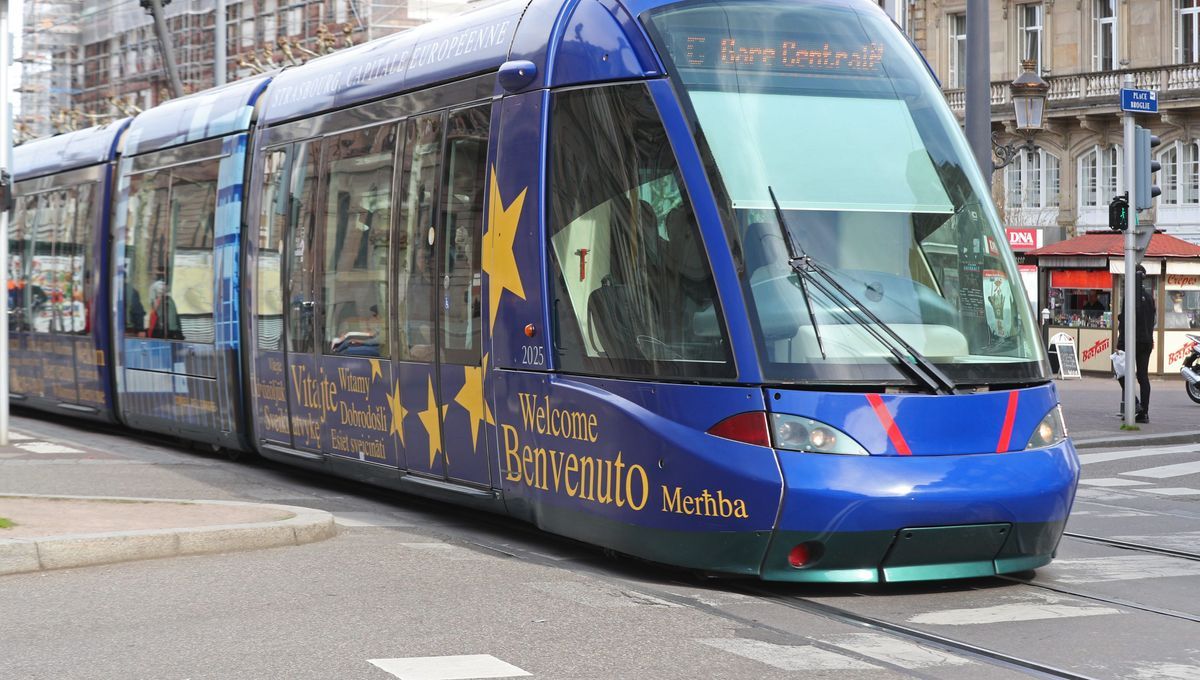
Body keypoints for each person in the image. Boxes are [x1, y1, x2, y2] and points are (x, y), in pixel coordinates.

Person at [1117, 265, 1156, 423]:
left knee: (1122, 373)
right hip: (1146, 341)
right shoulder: (1149, 297)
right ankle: (1144, 413)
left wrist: (1120, 343)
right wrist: (1151, 338)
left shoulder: (1130, 296)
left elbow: (1125, 321)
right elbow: (1152, 321)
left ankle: (1135, 404)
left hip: (1132, 341)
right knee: (1143, 376)